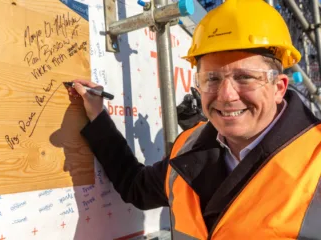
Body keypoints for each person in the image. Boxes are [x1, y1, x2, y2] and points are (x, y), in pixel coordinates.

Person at [67, 0, 321, 238]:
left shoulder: (315, 161)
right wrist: (97, 115)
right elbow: (137, 187)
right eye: (212, 79)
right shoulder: (190, 145)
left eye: (245, 77)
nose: (226, 95)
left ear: (278, 87)